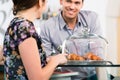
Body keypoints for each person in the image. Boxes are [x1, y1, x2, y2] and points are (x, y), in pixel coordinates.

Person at [3, 0, 68, 80]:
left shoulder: (15, 23)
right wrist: (55, 61)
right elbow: (37, 78)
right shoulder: (25, 28)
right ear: (40, 2)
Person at [40, 0, 103, 80]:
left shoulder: (92, 18)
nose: (72, 7)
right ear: (61, 1)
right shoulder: (47, 26)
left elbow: (98, 55)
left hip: (93, 75)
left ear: (82, 5)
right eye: (68, 1)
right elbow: (46, 59)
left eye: (77, 3)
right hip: (67, 77)